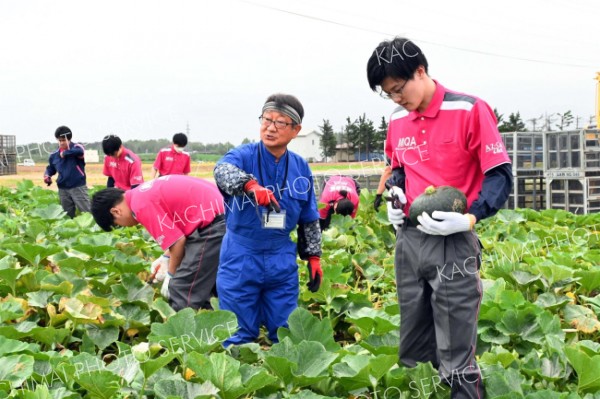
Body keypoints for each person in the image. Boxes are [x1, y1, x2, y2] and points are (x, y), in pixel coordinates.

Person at [367, 37, 512, 398]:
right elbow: (398, 168)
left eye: (399, 89)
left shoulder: (470, 110)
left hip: (452, 240)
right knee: (413, 342)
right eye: (388, 93)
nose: (397, 98)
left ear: (420, 71)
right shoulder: (398, 119)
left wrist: (471, 218)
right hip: (410, 241)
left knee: (455, 352)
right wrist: (395, 196)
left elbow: (499, 174)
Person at [213, 93, 322, 346]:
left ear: (296, 130)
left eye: (280, 122)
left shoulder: (301, 167)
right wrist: (250, 185)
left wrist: (314, 256)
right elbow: (221, 171)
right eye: (266, 119)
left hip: (281, 259)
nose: (270, 127)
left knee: (286, 336)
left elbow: (309, 216)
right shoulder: (242, 156)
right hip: (241, 256)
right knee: (237, 335)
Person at [90, 175, 226, 311]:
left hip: (214, 225)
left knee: (181, 288)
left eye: (118, 224)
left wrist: (170, 276)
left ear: (116, 211)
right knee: (208, 281)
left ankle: (187, 330)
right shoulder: (140, 194)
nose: (125, 226)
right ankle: (217, 320)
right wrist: (165, 257)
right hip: (221, 215)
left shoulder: (140, 207)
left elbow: (178, 242)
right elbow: (178, 234)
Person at [43, 126, 91, 218]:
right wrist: (47, 175)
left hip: (78, 186)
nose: (61, 143)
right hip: (63, 188)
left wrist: (65, 153)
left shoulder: (76, 148)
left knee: (87, 213)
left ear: (69, 139)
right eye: (59, 140)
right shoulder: (54, 155)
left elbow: (81, 150)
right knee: (67, 216)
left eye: (63, 140)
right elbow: (51, 168)